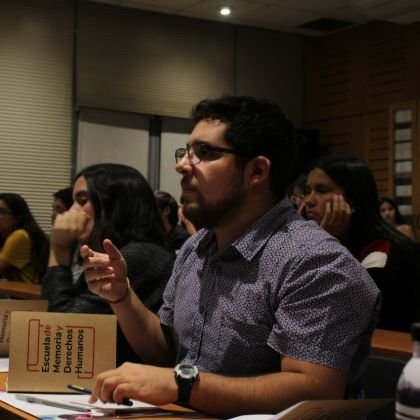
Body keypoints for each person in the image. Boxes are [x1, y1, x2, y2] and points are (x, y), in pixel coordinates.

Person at [80, 96, 380, 418]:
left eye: (205, 153)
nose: (182, 165)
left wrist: (182, 385)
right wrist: (123, 296)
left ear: (257, 171)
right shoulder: (197, 248)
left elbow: (313, 393)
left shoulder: (316, 262)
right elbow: (169, 351)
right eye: (186, 152)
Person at [41, 163, 174, 365]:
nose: (71, 210)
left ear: (117, 205)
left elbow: (63, 330)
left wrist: (59, 249)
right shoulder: (108, 251)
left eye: (82, 200)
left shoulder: (139, 255)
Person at [301, 154, 419, 332]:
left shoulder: (382, 250)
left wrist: (323, 244)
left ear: (353, 200)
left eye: (322, 190)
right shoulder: (332, 240)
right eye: (308, 190)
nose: (308, 200)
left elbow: (339, 313)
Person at [0, 193, 49, 284]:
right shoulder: (6, 236)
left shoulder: (20, 236)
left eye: (2, 212)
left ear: (17, 218)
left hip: (28, 295)